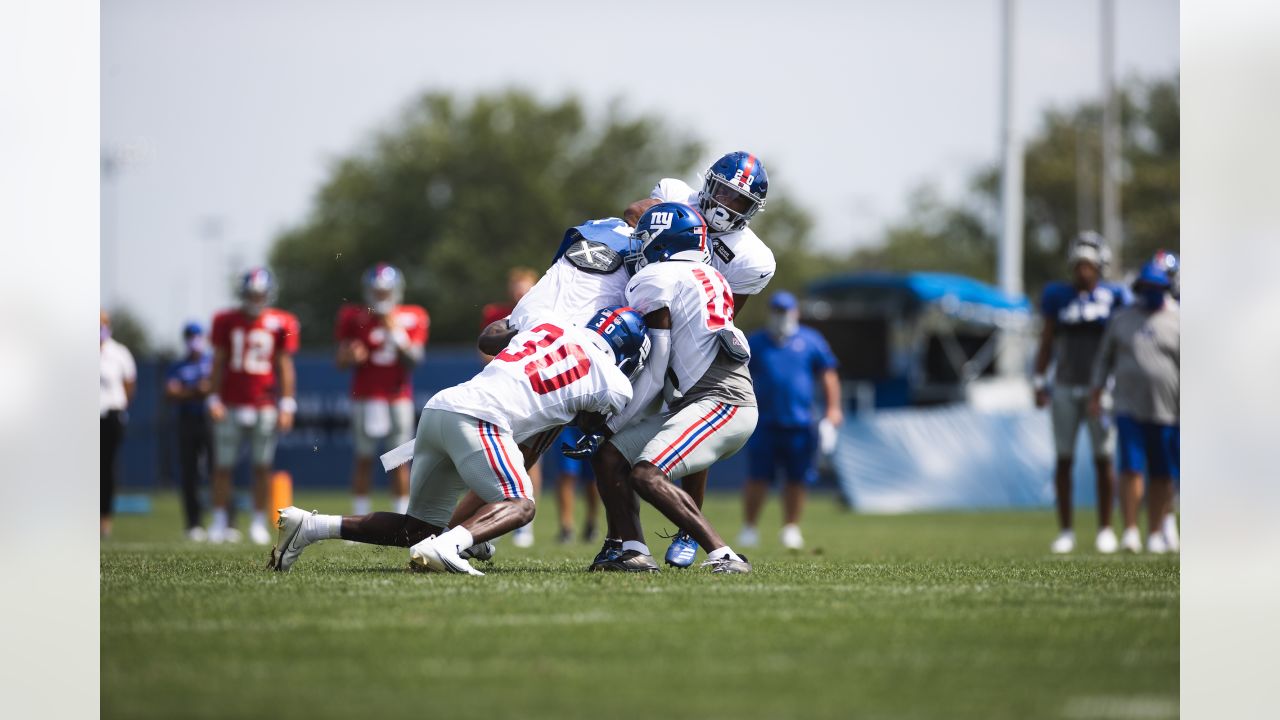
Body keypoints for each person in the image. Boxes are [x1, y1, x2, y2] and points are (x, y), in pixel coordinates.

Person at [268, 307, 647, 576]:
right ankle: (450, 547)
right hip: (482, 418)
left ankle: (311, 527)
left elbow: (494, 342)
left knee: (418, 528)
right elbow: (586, 423)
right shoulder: (614, 383)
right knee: (520, 504)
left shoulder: (548, 324)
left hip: (442, 408)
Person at [579, 202, 757, 574]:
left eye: (646, 238)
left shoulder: (656, 277)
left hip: (721, 401)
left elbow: (656, 371)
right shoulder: (711, 276)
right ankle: (634, 550)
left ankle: (723, 554)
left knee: (646, 474)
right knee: (610, 456)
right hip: (706, 399)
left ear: (661, 241)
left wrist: (611, 422)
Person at [622, 150, 776, 567]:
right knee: (616, 441)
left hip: (693, 335)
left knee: (692, 427)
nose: (727, 205)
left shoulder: (752, 257)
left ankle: (691, 532)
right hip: (641, 313)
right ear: (707, 184)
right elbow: (633, 214)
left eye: (739, 201)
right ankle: (625, 543)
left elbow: (726, 309)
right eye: (724, 191)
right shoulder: (676, 194)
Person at [1033, 232, 1130, 554]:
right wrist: (1038, 380)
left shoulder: (1115, 297)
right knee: (1064, 459)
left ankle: (1105, 528)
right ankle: (1066, 531)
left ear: (1100, 266)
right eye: (1078, 265)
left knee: (1104, 458)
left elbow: (1123, 345)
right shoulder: (1058, 296)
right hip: (1063, 384)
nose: (1082, 271)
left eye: (1088, 265)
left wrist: (1117, 383)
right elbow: (1047, 340)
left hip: (1099, 389)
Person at [1089, 260, 1180, 554]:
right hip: (1127, 406)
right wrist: (1096, 391)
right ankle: (1130, 530)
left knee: (1163, 473)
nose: (1151, 293)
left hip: (1168, 410)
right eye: (1147, 288)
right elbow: (1104, 359)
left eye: (1157, 288)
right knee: (1130, 467)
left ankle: (1155, 532)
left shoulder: (1179, 320)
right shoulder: (1123, 318)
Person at [740, 291, 842, 550]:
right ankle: (750, 527)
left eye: (785, 311)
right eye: (777, 311)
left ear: (795, 312)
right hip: (763, 421)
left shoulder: (811, 340)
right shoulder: (756, 342)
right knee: (758, 477)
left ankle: (791, 527)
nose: (781, 316)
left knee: (797, 478)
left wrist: (833, 409)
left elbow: (828, 374)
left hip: (800, 423)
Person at [207, 268, 300, 545]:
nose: (255, 298)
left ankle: (258, 521)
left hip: (264, 403)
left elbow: (284, 365)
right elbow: (219, 361)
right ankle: (220, 520)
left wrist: (287, 404)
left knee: (262, 466)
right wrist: (213, 398)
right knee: (223, 466)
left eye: (260, 293)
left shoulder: (281, 322)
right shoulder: (226, 321)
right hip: (232, 402)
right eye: (251, 293)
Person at [335, 264, 429, 516]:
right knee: (363, 458)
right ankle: (358, 516)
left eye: (385, 291)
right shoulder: (354, 316)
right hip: (365, 397)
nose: (381, 296)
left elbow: (414, 360)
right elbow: (341, 362)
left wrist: (394, 330)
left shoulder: (413, 315)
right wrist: (351, 355)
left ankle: (402, 516)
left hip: (398, 396)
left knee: (398, 459)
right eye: (376, 291)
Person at [479, 265, 541, 546]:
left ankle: (525, 521)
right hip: (500, 391)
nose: (520, 292)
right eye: (516, 286)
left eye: (525, 285)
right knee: (492, 455)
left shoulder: (543, 311)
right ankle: (492, 517)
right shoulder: (497, 314)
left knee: (529, 453)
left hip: (531, 392)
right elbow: (484, 353)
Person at [165, 321, 213, 541]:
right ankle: (194, 523)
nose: (194, 340)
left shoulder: (211, 362)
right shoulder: (178, 366)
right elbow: (171, 394)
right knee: (189, 473)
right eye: (190, 336)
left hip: (210, 419)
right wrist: (196, 391)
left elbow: (214, 387)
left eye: (197, 335)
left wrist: (187, 391)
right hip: (187, 421)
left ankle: (226, 521)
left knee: (219, 470)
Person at [100, 309, 137, 539]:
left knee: (106, 468)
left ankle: (105, 518)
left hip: (111, 416)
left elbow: (129, 385)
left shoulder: (119, 353)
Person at [551, 426, 601, 543]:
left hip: (594, 419)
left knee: (592, 476)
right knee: (567, 472)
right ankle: (566, 527)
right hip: (568, 420)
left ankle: (591, 522)